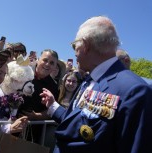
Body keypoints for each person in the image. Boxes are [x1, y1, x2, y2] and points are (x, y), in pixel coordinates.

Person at [40, 16, 152, 153]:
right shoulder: (89, 80)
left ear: (85, 46)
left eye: (75, 46)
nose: (74, 53)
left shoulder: (135, 90)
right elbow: (79, 125)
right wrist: (53, 106)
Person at [18, 49, 59, 149]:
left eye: (52, 63)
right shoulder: (23, 70)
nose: (47, 64)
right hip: (10, 125)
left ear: (54, 67)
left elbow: (51, 110)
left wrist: (36, 116)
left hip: (33, 133)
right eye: (45, 60)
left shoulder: (53, 86)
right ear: (38, 60)